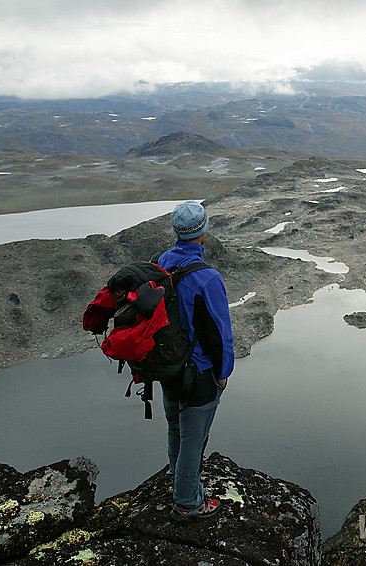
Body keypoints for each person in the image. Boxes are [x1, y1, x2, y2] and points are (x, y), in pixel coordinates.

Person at [155, 200, 235, 520]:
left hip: (169, 367)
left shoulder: (161, 262)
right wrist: (224, 372)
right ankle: (188, 501)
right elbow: (220, 332)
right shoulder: (208, 278)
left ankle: (176, 477)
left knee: (175, 424)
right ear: (202, 233)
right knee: (194, 437)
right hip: (199, 372)